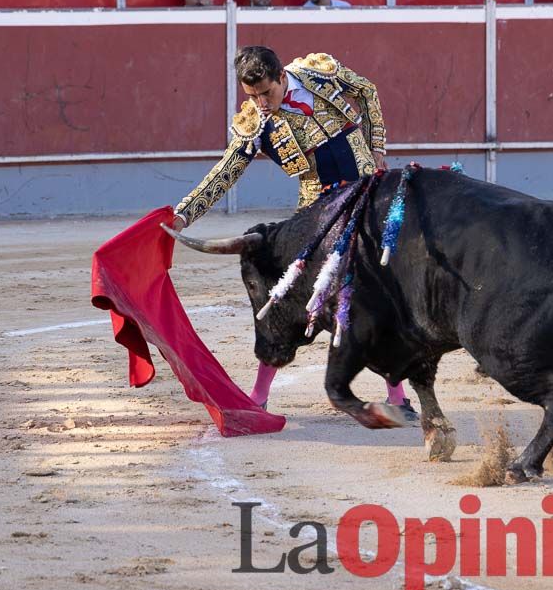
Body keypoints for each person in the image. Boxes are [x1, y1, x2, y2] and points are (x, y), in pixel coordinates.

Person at [169, 46, 411, 417]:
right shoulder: (255, 124)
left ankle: (398, 397)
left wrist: (376, 146)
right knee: (284, 295)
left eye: (267, 92)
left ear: (282, 77)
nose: (262, 103)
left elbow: (366, 90)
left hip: (368, 190)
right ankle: (259, 395)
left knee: (382, 287)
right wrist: (184, 214)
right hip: (318, 210)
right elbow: (225, 171)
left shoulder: (318, 72)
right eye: (253, 96)